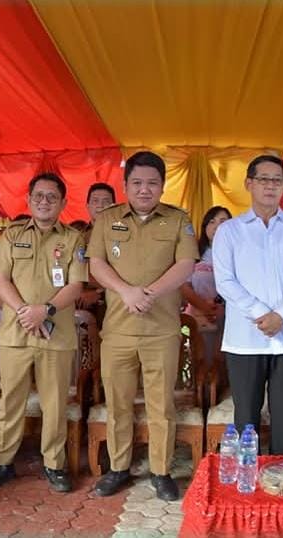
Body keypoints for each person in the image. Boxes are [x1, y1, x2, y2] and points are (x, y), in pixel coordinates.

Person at [86, 151, 198, 501]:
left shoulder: (178, 220)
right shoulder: (107, 220)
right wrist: (126, 292)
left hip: (162, 331)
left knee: (161, 404)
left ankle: (161, 470)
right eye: (137, 183)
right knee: (118, 404)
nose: (144, 189)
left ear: (163, 186)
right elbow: (96, 263)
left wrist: (149, 293)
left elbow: (186, 264)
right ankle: (119, 469)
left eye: (152, 183)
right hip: (117, 331)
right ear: (126, 186)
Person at [0, 173, 86, 493]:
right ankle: (1, 462)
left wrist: (46, 311)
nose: (44, 202)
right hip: (16, 333)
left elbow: (76, 285)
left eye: (51, 197)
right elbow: (1, 280)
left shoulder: (72, 239)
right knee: (10, 400)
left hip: (56, 335)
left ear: (63, 203)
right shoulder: (12, 235)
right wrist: (28, 313)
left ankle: (54, 464)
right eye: (38, 196)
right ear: (28, 199)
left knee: (54, 403)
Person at [213, 156, 283, 455]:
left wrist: (282, 316)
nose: (270, 186)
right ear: (249, 183)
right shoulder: (230, 231)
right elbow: (226, 282)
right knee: (246, 417)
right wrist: (261, 314)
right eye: (263, 179)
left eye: (277, 180)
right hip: (245, 340)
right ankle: (249, 483)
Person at [182, 206, 231, 367]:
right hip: (198, 315)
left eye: (223, 221)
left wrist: (219, 305)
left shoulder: (239, 253)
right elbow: (184, 285)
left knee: (225, 363)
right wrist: (204, 306)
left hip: (229, 316)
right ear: (205, 227)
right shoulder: (194, 252)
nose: (217, 226)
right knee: (202, 362)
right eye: (212, 222)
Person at [77, 183, 117, 314]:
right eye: (95, 201)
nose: (100, 205)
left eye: (106, 201)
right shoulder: (78, 237)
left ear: (114, 206)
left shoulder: (125, 236)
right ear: (87, 206)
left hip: (115, 300)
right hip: (80, 301)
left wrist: (99, 292)